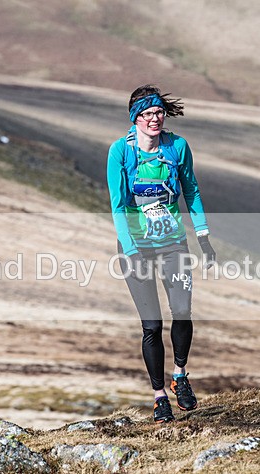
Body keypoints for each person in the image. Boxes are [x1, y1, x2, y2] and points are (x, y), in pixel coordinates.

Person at [107, 84, 216, 423]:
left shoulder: (178, 147)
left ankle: (180, 375)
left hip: (173, 243)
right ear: (135, 118)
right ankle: (158, 398)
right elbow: (118, 205)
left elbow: (192, 191)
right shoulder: (120, 153)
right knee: (151, 325)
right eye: (148, 114)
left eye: (159, 113)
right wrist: (130, 248)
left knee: (182, 310)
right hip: (136, 247)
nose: (155, 119)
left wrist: (204, 237)